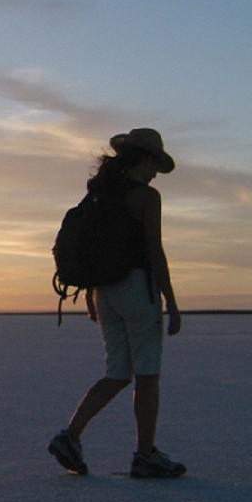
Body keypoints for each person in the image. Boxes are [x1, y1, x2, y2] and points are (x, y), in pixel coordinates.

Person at [48, 128, 185, 478]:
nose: (155, 173)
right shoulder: (146, 197)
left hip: (104, 292)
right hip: (137, 289)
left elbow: (94, 249)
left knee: (117, 373)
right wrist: (170, 299)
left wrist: (91, 295)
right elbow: (154, 251)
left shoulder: (99, 195)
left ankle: (70, 436)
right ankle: (145, 455)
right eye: (153, 164)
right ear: (143, 160)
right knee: (147, 375)